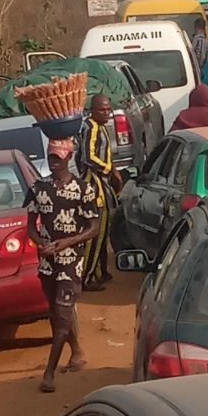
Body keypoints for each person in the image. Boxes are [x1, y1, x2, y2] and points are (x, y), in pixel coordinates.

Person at [25, 134, 102, 391]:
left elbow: (94, 227)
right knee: (56, 312)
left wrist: (68, 242)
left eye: (58, 158)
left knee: (61, 314)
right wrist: (39, 243)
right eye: (51, 158)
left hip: (71, 260)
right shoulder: (38, 188)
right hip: (48, 262)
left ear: (69, 157)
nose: (54, 162)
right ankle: (77, 351)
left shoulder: (83, 189)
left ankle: (49, 374)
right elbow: (30, 226)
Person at [78, 92, 120, 287]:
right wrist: (109, 169)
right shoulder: (91, 127)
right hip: (93, 187)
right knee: (95, 233)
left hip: (103, 184)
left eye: (108, 109)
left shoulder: (101, 127)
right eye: (102, 110)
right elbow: (88, 157)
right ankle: (86, 278)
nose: (106, 113)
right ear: (92, 111)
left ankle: (100, 271)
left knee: (104, 235)